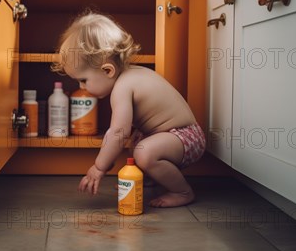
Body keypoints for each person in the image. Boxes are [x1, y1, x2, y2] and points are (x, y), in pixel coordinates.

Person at [51, 12, 206, 208]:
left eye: (83, 80)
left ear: (108, 70)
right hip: (172, 136)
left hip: (186, 138)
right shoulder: (132, 74)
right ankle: (151, 178)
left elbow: (117, 133)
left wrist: (99, 167)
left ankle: (182, 191)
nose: (82, 87)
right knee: (138, 140)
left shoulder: (123, 88)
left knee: (143, 151)